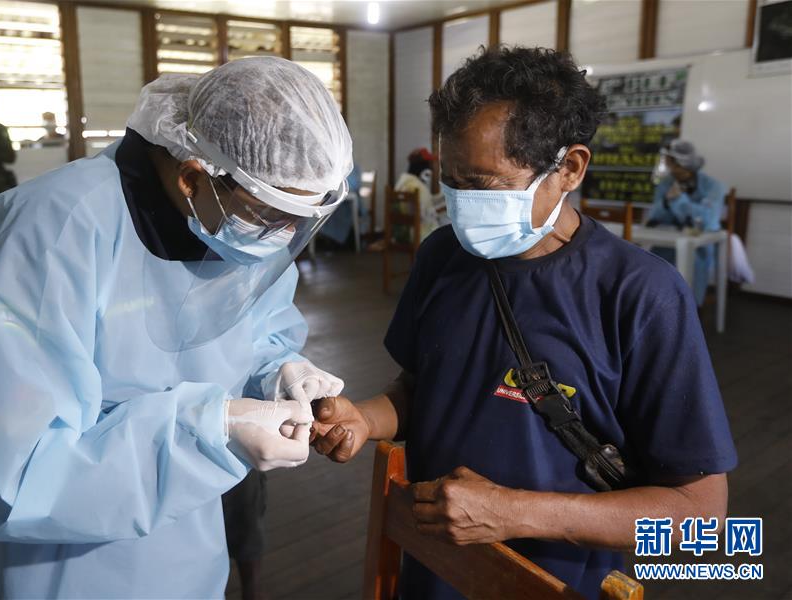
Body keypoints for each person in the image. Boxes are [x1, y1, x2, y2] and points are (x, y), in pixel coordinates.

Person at [310, 46, 736, 600]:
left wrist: (515, 514)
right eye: (451, 180)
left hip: (557, 581)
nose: (461, 203)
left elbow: (703, 519)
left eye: (483, 184)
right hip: (431, 571)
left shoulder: (640, 296)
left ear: (570, 169)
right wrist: (366, 419)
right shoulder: (443, 256)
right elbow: (425, 388)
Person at [0, 57, 351, 599]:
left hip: (190, 541)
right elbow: (20, 479)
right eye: (271, 215)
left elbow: (253, 334)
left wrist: (276, 371)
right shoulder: (54, 230)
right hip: (72, 568)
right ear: (191, 177)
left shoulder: (235, 223)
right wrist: (209, 430)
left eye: (300, 220)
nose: (283, 236)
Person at [647, 139, 727, 306]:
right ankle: (656, 307)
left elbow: (708, 220)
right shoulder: (666, 183)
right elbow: (656, 215)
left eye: (671, 162)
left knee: (692, 274)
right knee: (653, 266)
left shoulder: (713, 186)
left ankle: (690, 310)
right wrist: (666, 202)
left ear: (682, 163)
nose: (669, 167)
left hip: (699, 245)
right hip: (668, 242)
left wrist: (678, 200)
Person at [394, 147, 443, 241]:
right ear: (423, 167)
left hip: (402, 232)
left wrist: (442, 197)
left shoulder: (403, 181)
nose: (431, 169)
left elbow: (424, 203)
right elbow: (426, 215)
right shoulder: (418, 187)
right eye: (429, 165)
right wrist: (443, 208)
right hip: (419, 234)